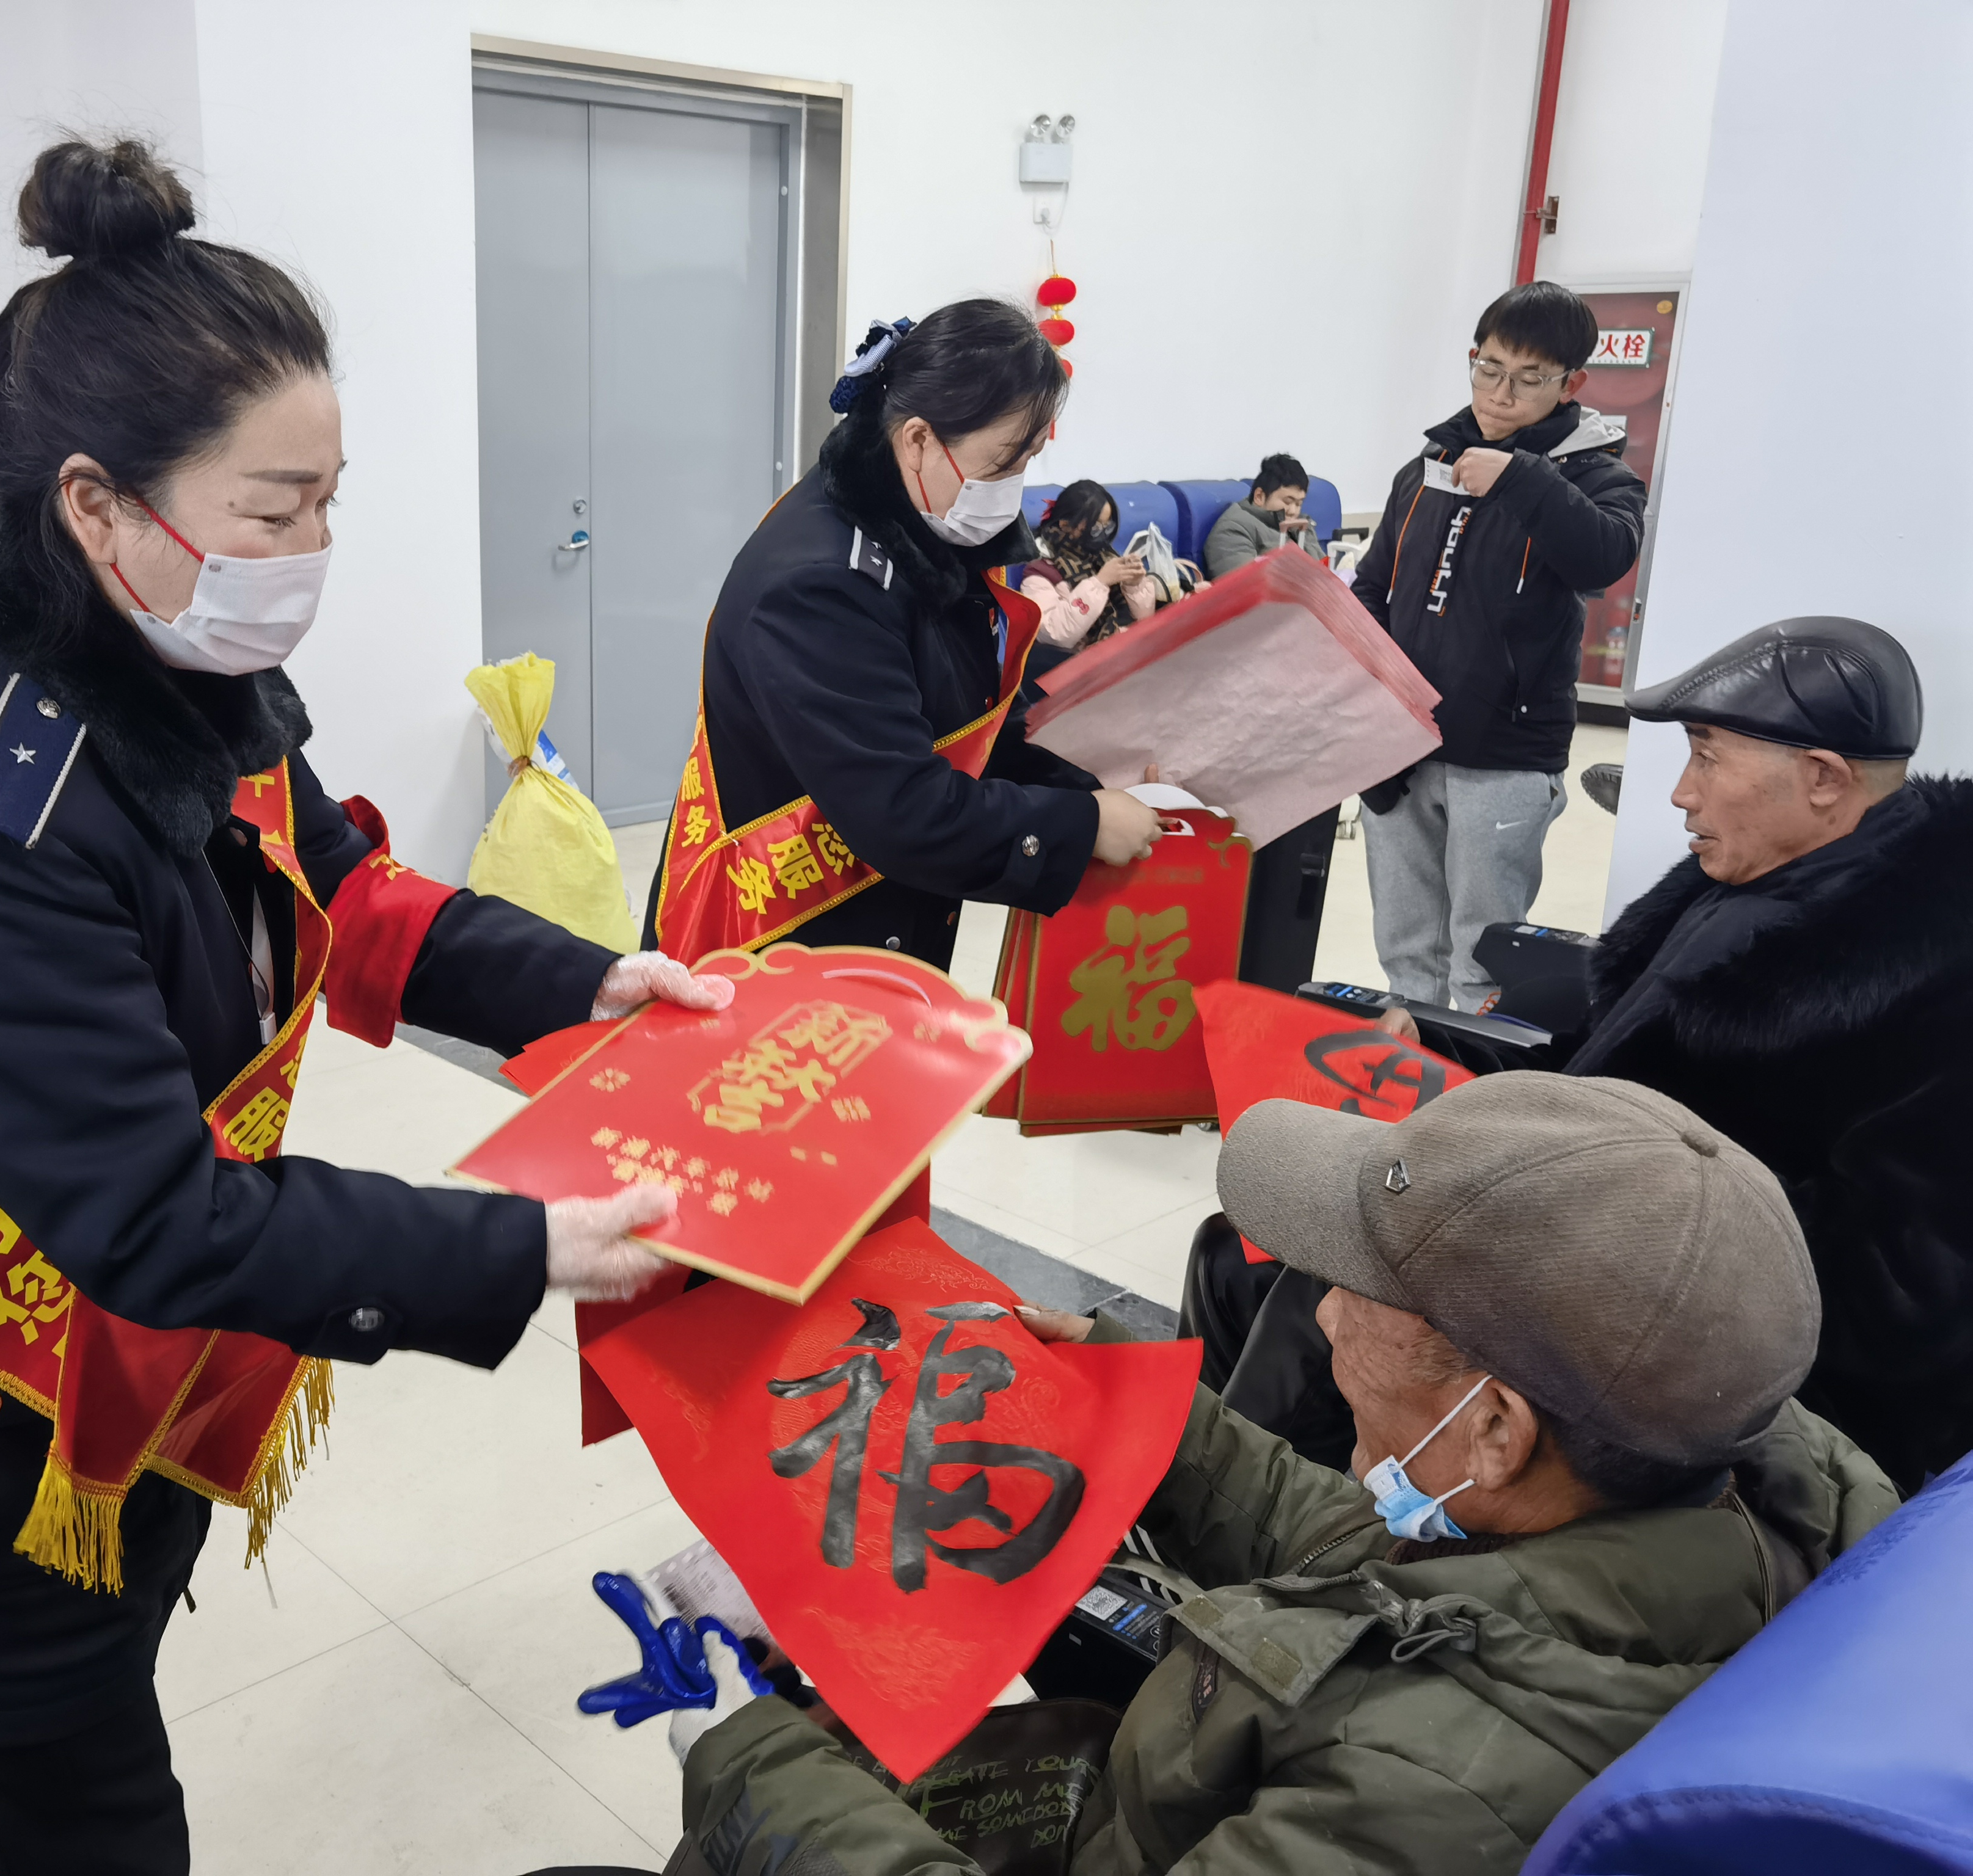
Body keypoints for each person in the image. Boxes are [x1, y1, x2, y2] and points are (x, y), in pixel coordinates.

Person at [0, 138, 720, 1876]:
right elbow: (161, 1221)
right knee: (79, 1824)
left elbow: (331, 877)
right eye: (275, 510)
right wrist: (532, 1244)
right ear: (97, 502)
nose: (314, 550)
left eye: (330, 497)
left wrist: (583, 979)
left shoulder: (159, 639)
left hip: (85, 1369)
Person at [660, 1074, 1897, 1875]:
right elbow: (1376, 1573)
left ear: (1493, 1428)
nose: (1321, 1317)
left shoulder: (1426, 1799)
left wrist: (746, 1753)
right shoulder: (1716, 1473)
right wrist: (1126, 1401)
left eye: (1356, 1293)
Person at [1196, 616, 1971, 1495]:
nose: (1680, 793)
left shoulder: (1934, 980)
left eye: (1707, 758)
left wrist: (1577, 1204)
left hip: (1681, 1350)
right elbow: (1586, 1076)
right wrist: (1435, 1049)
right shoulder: (1744, 887)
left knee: (1330, 1289)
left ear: (1824, 779)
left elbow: (1906, 1298)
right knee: (1230, 1256)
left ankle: (1256, 1527)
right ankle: (1202, 1498)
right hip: (1574, 1236)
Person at [644, 304, 1159, 969]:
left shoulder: (923, 525)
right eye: (1003, 464)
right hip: (771, 953)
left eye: (1029, 460)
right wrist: (1081, 826)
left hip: (880, 923)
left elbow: (976, 724)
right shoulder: (818, 586)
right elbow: (904, 811)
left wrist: (1088, 785)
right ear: (918, 440)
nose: (1012, 490)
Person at [1351, 280, 1646, 1011]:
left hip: (1506, 757)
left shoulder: (1598, 477)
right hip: (1403, 749)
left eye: (1528, 379)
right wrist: (1370, 704)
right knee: (1405, 951)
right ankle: (1410, 1080)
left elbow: (1603, 559)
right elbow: (1373, 586)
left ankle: (1474, 1086)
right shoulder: (1424, 467)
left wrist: (1522, 479)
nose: (1500, 394)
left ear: (1571, 384)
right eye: (1488, 369)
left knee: (1482, 963)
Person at [1021, 478, 1158, 653]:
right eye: (1095, 529)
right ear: (1065, 525)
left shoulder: (1104, 557)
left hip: (1123, 651)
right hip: (1081, 661)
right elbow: (1054, 634)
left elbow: (1145, 621)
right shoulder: (1040, 573)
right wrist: (1100, 583)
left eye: (1107, 527)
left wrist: (1135, 586)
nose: (1102, 536)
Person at [1199, 451, 1321, 579]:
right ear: (1259, 497)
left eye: (1299, 503)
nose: (1293, 511)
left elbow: (1326, 572)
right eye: (1287, 502)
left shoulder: (1301, 526)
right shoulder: (1233, 530)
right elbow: (1244, 584)